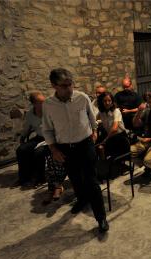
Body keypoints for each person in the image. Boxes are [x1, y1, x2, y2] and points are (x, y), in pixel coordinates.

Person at [42, 68, 108, 232]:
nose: (69, 88)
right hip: (65, 148)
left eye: (70, 84)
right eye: (64, 86)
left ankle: (101, 218)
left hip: (85, 145)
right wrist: (53, 149)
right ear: (54, 85)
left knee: (92, 182)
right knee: (75, 179)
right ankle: (82, 200)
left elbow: (93, 120)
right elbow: (47, 129)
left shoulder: (82, 98)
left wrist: (94, 133)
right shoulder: (49, 105)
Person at [16, 91, 46, 186]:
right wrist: (22, 138)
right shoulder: (30, 114)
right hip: (39, 137)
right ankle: (24, 178)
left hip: (51, 138)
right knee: (21, 150)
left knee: (39, 152)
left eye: (44, 101)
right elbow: (26, 127)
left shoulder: (50, 110)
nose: (44, 104)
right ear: (34, 104)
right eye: (41, 102)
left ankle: (40, 178)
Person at [96, 92, 127, 158]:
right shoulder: (101, 112)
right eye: (105, 101)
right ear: (101, 102)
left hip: (120, 137)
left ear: (112, 102)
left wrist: (105, 139)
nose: (107, 103)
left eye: (109, 100)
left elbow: (114, 129)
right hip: (110, 136)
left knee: (104, 149)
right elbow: (95, 120)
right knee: (97, 146)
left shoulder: (116, 111)